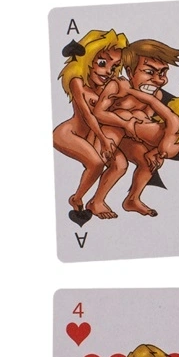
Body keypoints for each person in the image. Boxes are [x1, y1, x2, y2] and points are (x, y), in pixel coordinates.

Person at [93, 39, 179, 217]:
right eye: (149, 72)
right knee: (120, 165)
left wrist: (153, 150)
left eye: (163, 72)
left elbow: (145, 122)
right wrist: (124, 122)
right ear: (130, 72)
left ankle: (132, 199)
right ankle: (96, 201)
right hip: (107, 134)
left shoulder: (156, 94)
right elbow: (99, 113)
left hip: (129, 137)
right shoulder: (118, 86)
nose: (158, 79)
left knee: (149, 161)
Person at [53, 29, 129, 219]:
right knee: (95, 163)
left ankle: (97, 202)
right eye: (102, 63)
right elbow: (88, 115)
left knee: (120, 164)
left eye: (114, 66)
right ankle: (76, 198)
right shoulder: (77, 82)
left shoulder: (108, 87)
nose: (108, 71)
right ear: (87, 59)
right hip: (69, 134)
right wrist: (103, 139)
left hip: (93, 136)